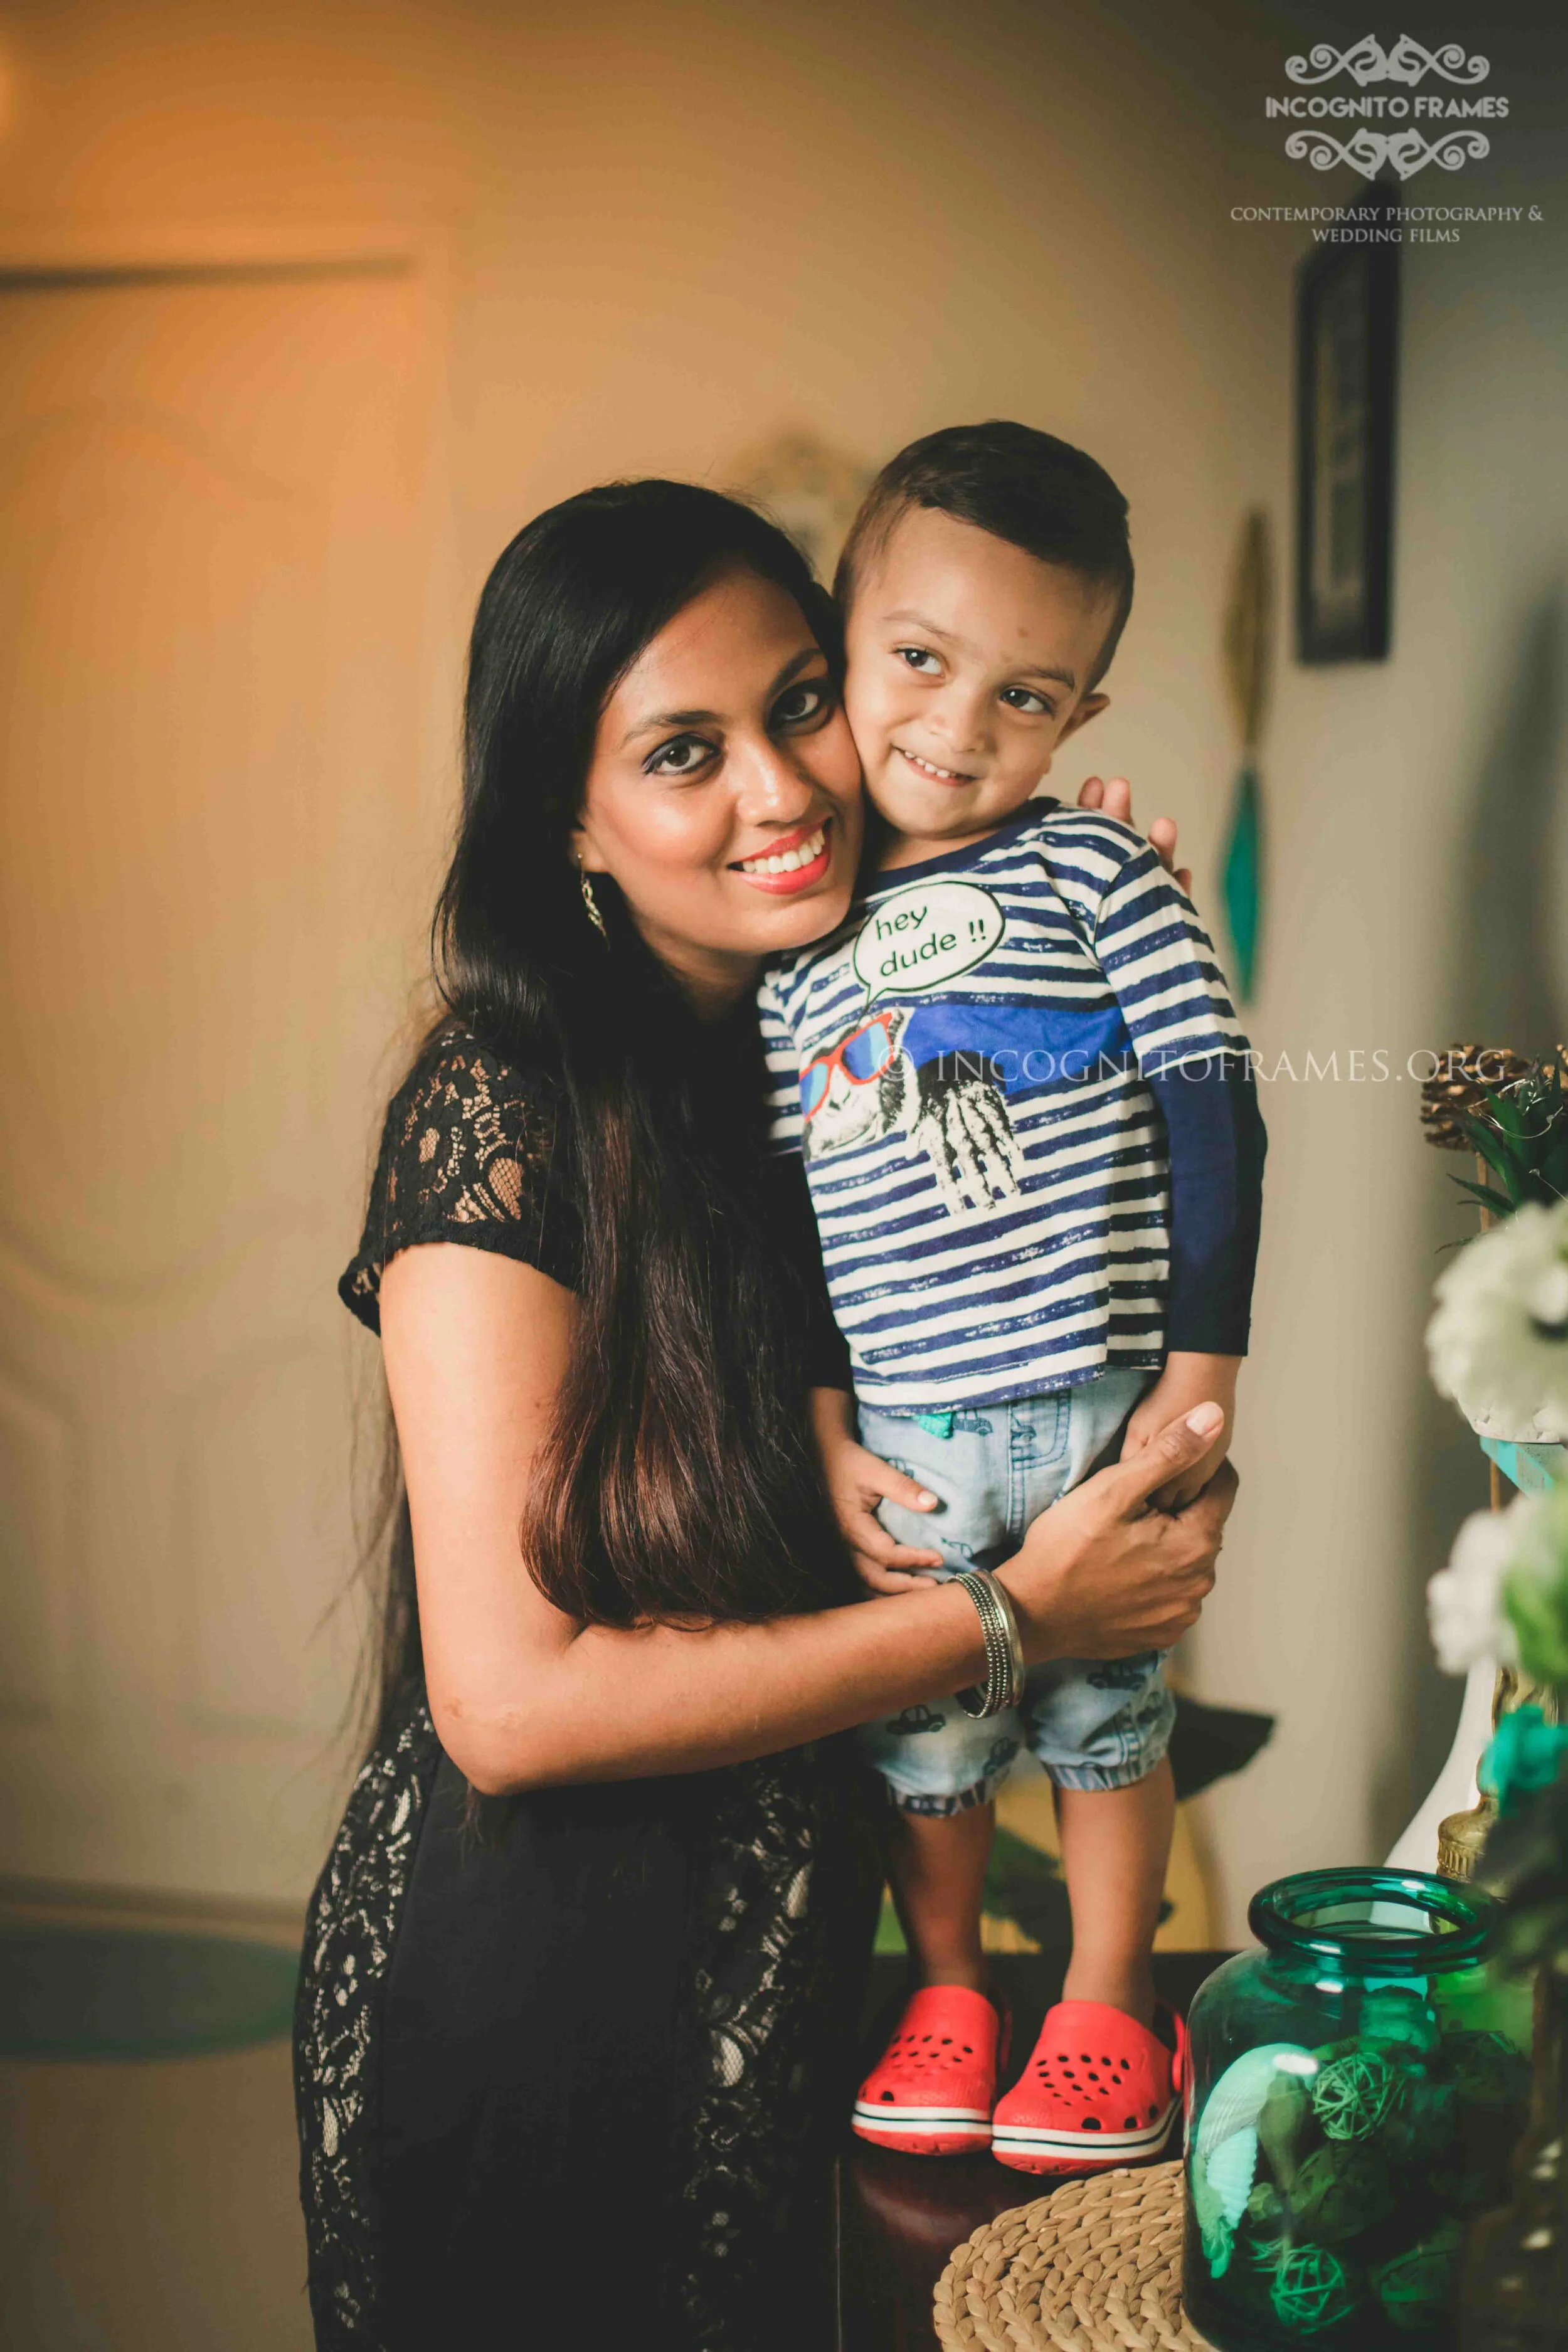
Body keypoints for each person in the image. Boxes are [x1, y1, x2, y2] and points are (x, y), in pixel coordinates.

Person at [292, 477, 1237, 2348]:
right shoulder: (507, 1098)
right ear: (568, 818)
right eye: (681, 752)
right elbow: (508, 1708)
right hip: (536, 2006)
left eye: (801, 702)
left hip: (799, 1971)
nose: (785, 788)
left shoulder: (830, 1028)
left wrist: (1087, 920)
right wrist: (1011, 1620)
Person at [758, 423, 1266, 2175]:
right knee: (932, 1732)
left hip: (1100, 1408)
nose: (959, 727)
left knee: (1108, 1719)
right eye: (918, 659)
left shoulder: (1099, 874)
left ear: (1078, 719)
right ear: (838, 642)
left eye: (1024, 695)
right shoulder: (796, 940)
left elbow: (1210, 1100)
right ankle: (951, 1989)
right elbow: (790, 1219)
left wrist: (1199, 1374)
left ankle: (1109, 2000)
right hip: (905, 1428)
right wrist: (824, 1428)